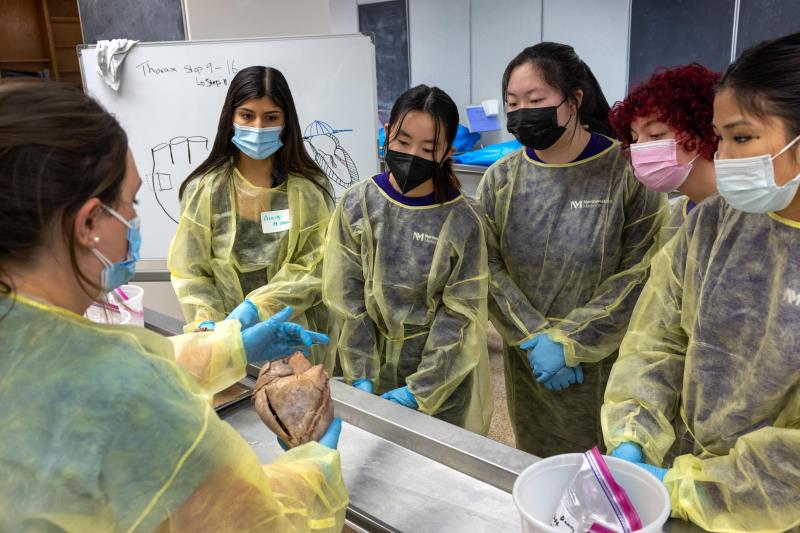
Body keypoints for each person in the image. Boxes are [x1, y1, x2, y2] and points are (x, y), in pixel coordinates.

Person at [0, 83, 347, 532]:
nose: (134, 220)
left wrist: (232, 346)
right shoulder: (138, 398)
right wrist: (314, 471)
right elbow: (256, 524)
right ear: (88, 222)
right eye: (131, 203)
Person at [602, 32, 800, 532]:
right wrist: (634, 428)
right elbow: (659, 335)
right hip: (688, 483)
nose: (726, 157)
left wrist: (701, 488)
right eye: (721, 138)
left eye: (743, 138)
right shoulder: (714, 222)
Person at [477, 42, 667, 456]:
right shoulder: (501, 180)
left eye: (536, 99)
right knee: (536, 464)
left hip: (605, 361)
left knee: (605, 470)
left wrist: (571, 342)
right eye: (513, 103)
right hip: (529, 360)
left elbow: (641, 273)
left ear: (574, 100)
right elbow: (487, 267)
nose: (522, 112)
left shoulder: (625, 173)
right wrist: (534, 337)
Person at [323, 85, 493, 435]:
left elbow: (461, 314)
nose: (412, 154)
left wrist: (423, 389)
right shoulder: (358, 203)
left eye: (428, 148)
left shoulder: (463, 218)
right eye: (403, 141)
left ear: (447, 151)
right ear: (386, 135)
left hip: (442, 384)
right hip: (369, 373)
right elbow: (347, 298)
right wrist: (361, 373)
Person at [168, 66, 337, 372]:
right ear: (230, 118)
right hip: (223, 345)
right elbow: (191, 271)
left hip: (292, 341)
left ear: (286, 122)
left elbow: (316, 267)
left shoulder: (310, 191)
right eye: (247, 116)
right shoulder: (205, 190)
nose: (258, 127)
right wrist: (209, 324)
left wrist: (256, 308)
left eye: (271, 117)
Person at [609, 64, 720, 245]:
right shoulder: (679, 216)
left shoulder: (746, 215)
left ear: (703, 130)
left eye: (655, 134)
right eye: (634, 138)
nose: (640, 148)